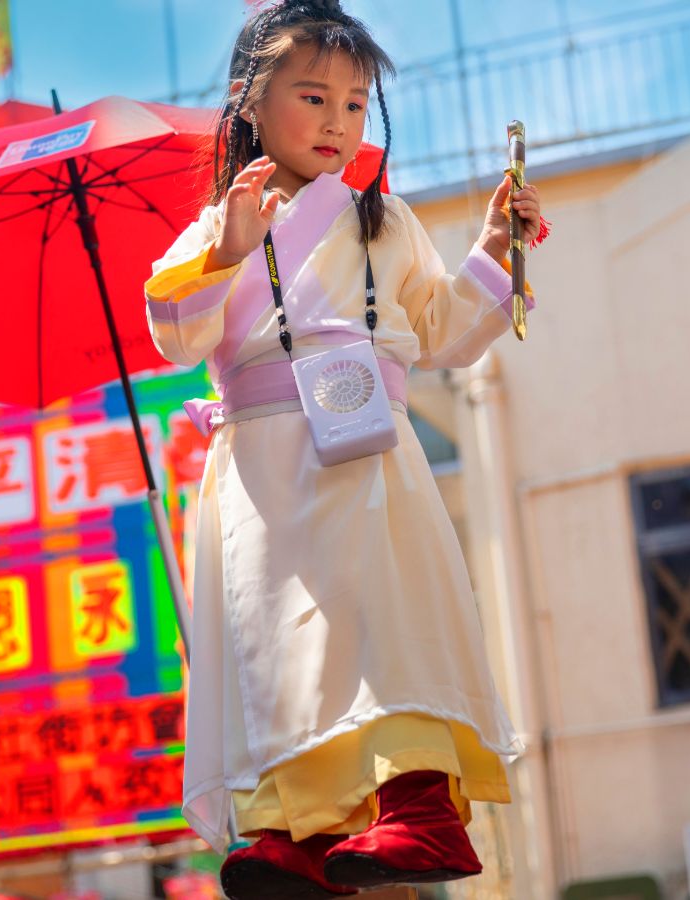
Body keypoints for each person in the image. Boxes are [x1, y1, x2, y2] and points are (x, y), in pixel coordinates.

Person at [143, 1, 546, 897]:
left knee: (384, 619)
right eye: (314, 96)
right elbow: (174, 333)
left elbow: (440, 330)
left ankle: (418, 804)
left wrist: (492, 247)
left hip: (369, 456)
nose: (337, 121)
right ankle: (292, 829)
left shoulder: (386, 219)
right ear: (250, 99)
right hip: (262, 471)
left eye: (356, 104)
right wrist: (228, 249)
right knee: (277, 649)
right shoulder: (222, 224)